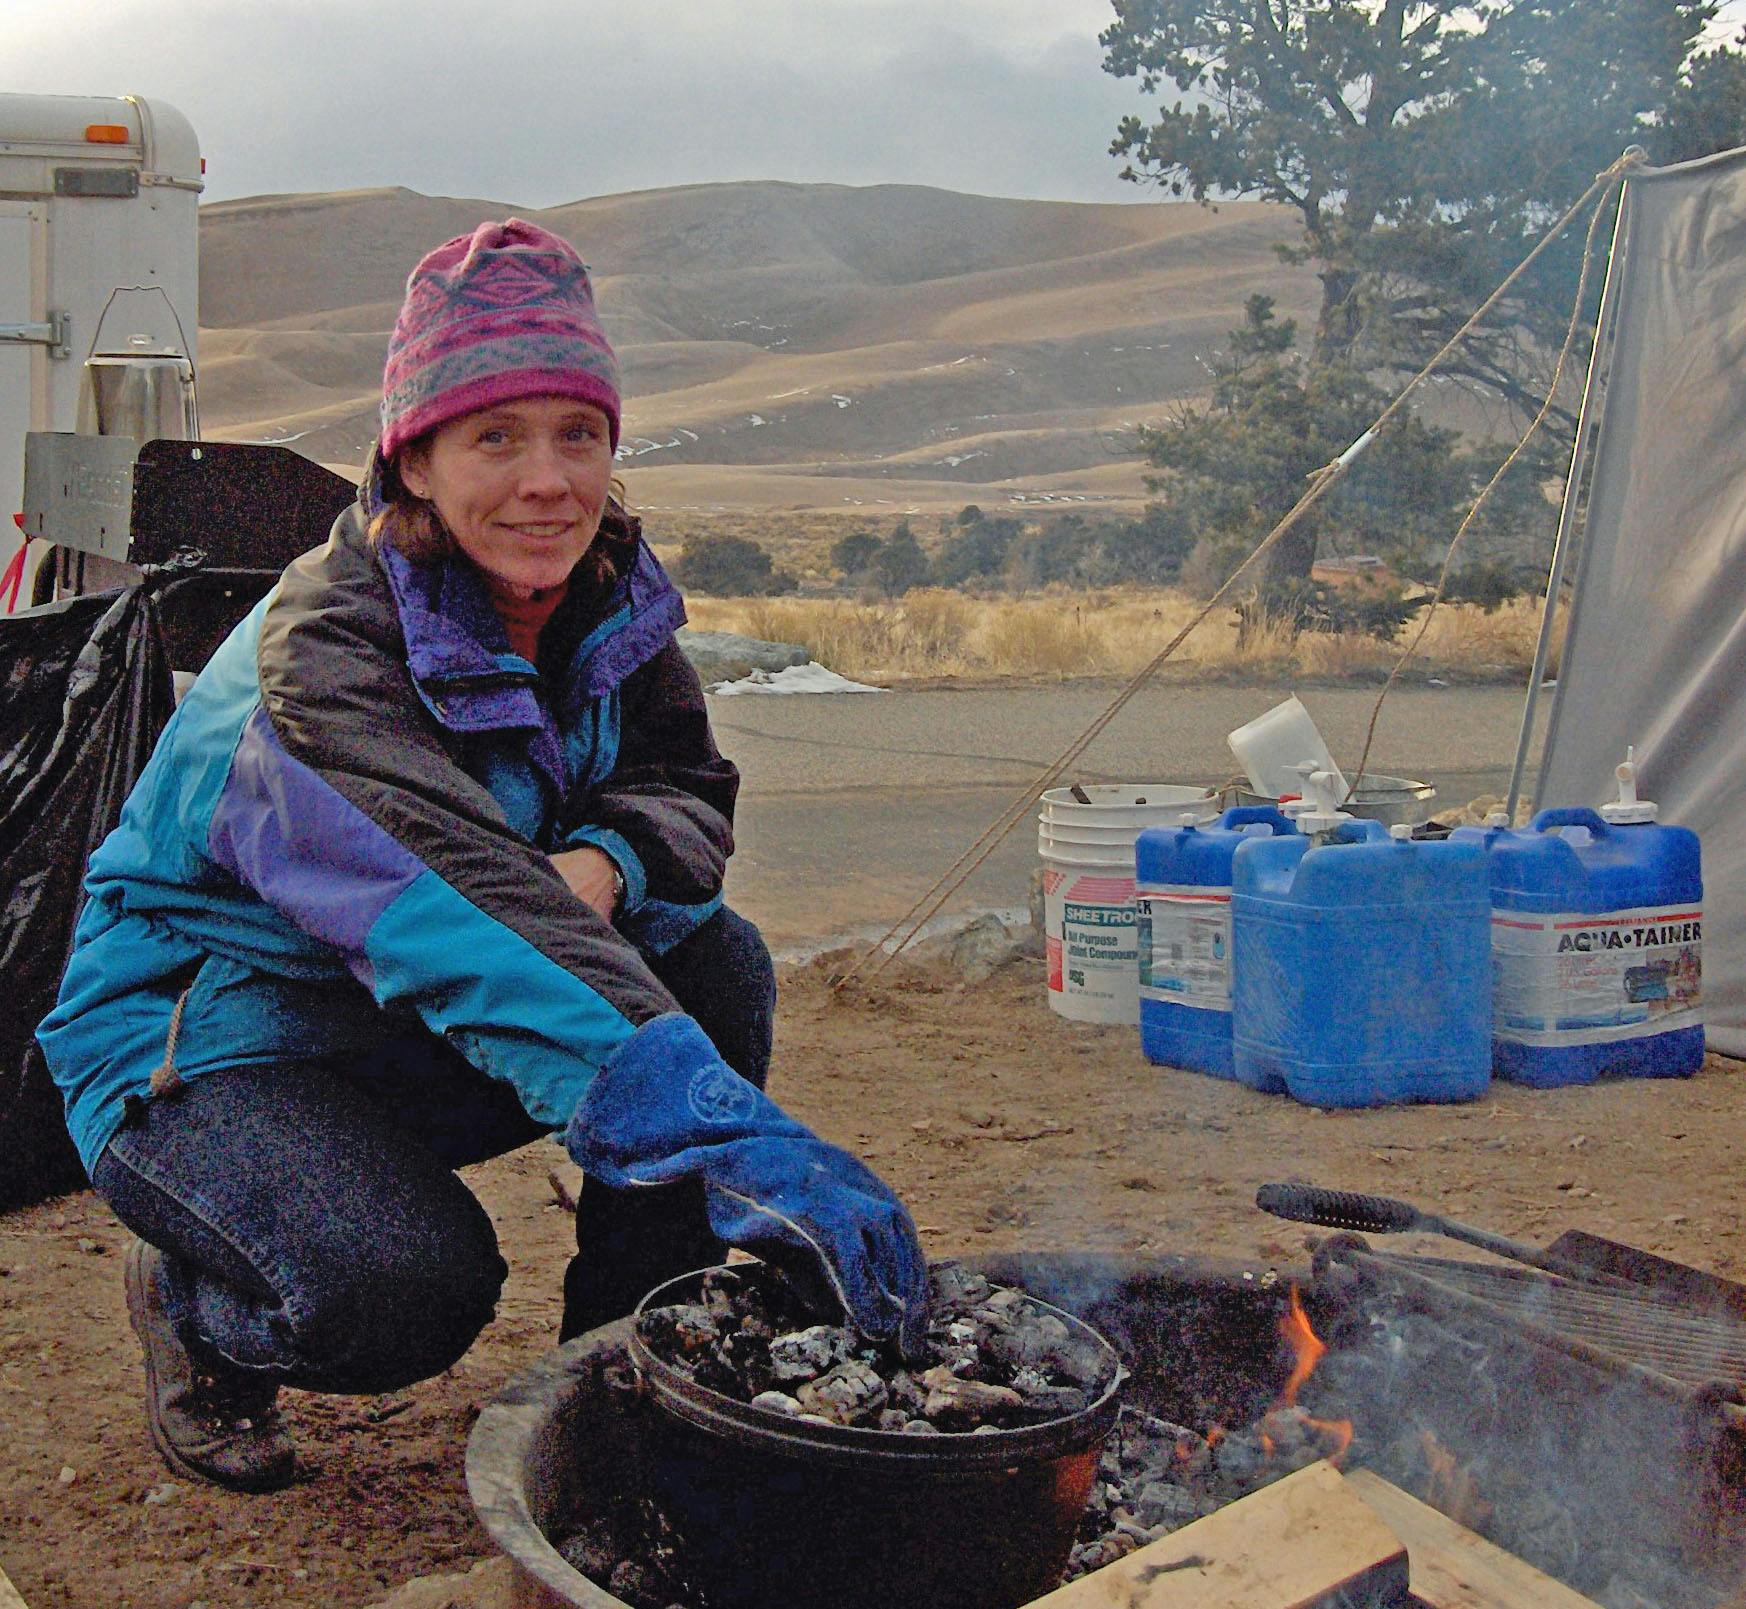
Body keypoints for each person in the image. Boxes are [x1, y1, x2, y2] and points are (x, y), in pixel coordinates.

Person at [36, 219, 928, 1494]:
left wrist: (611, 862)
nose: (547, 479)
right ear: (415, 455)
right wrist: (740, 1145)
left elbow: (683, 782)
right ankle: (199, 1300)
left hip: (395, 1011)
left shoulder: (602, 597)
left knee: (715, 963)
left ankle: (628, 1369)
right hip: (200, 1048)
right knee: (405, 1289)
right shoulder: (320, 661)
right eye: (495, 437)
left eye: (579, 433)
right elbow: (452, 902)